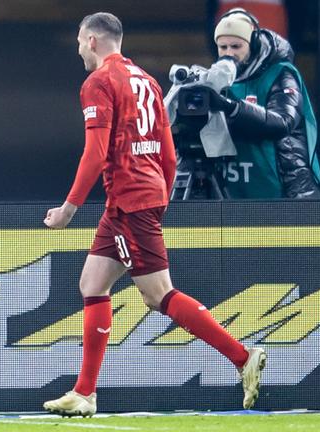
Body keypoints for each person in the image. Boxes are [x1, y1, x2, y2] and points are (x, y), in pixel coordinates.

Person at [41, 12, 266, 417]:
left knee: (157, 293)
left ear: (93, 41)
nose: (78, 49)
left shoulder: (98, 82)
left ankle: (242, 356)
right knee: (92, 282)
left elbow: (95, 153)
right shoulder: (147, 80)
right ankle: (84, 393)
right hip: (137, 197)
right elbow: (167, 148)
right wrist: (159, 193)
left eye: (79, 41)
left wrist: (69, 208)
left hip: (130, 198)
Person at [194, 8, 320, 198]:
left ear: (253, 43)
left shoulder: (281, 74)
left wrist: (231, 107)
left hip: (285, 191)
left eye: (236, 47)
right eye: (223, 47)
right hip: (233, 190)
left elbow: (283, 122)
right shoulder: (216, 80)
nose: (229, 53)